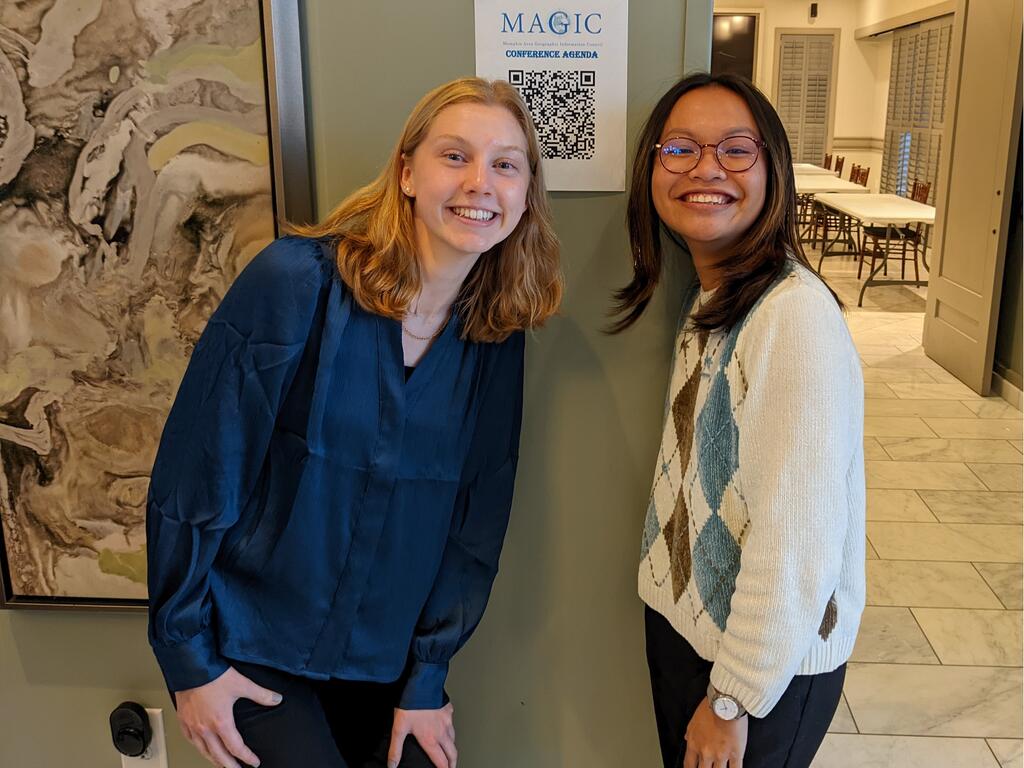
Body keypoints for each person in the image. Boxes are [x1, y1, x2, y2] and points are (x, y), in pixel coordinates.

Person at [146, 77, 562, 768]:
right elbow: (199, 471)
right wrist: (187, 660)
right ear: (407, 172)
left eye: (506, 165)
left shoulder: (497, 335)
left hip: (387, 664)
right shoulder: (295, 280)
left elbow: (475, 522)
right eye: (454, 156)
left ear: (524, 195)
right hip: (253, 645)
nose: (480, 183)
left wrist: (428, 677)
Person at [611, 72, 865, 768]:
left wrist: (733, 698)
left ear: (773, 168)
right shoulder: (716, 297)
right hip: (694, 635)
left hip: (753, 674)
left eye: (735, 150)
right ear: (652, 168)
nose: (706, 169)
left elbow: (799, 543)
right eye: (680, 150)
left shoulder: (794, 317)